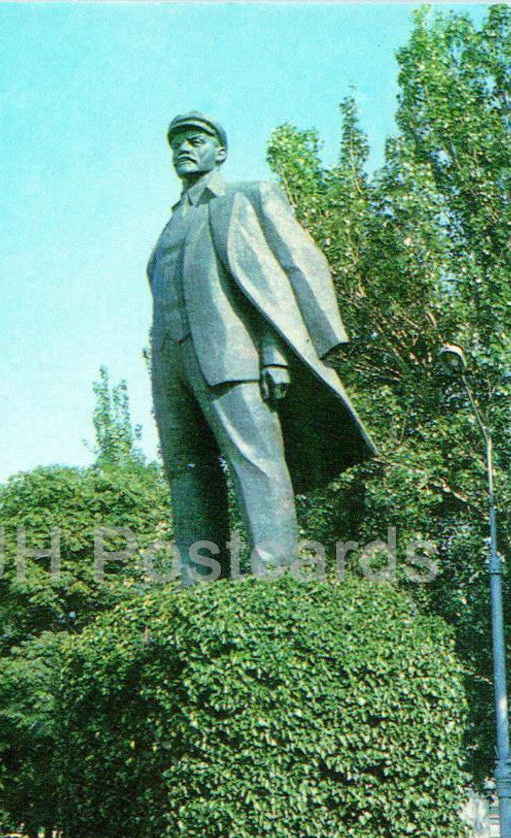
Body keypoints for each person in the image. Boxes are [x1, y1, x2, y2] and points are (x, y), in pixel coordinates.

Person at [147, 112, 376, 585]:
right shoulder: (169, 226)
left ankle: (275, 585)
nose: (184, 149)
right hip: (172, 367)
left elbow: (284, 272)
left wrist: (276, 353)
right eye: (176, 144)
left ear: (220, 152)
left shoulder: (245, 198)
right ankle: (199, 588)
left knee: (258, 466)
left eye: (196, 140)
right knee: (187, 476)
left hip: (234, 358)